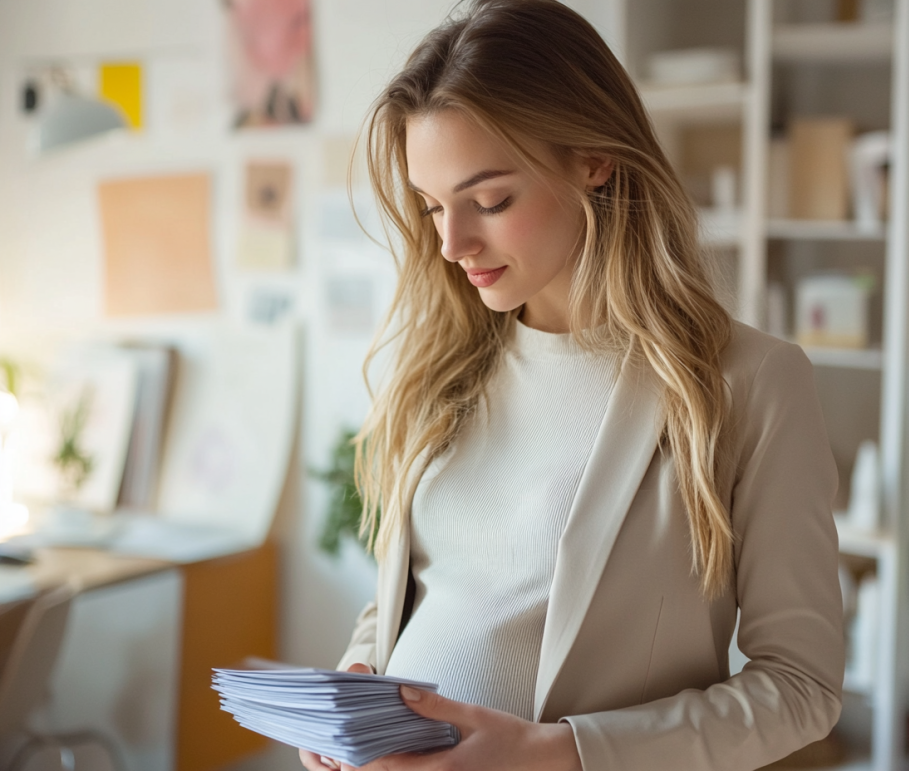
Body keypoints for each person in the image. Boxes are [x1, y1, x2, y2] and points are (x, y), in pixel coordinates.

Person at [300, 1, 844, 769]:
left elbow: (801, 687)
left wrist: (561, 752)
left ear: (594, 157)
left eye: (489, 201)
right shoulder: (444, 367)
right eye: (431, 207)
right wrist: (361, 682)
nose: (451, 243)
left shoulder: (748, 384)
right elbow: (433, 589)